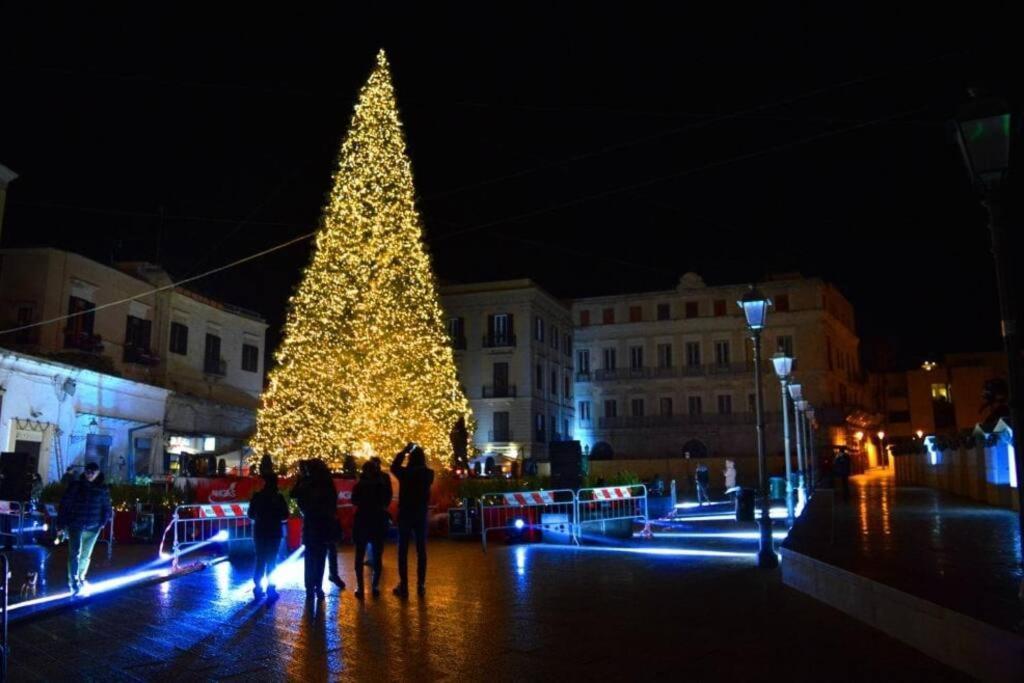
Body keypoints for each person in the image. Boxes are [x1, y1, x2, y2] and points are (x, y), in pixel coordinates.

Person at [57, 462, 112, 595]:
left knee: (85, 555)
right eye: (88, 471)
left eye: (93, 472)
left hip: (93, 526)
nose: (90, 474)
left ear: (98, 473)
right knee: (75, 554)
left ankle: (80, 577)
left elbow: (106, 506)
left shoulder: (102, 488)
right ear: (85, 472)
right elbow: (64, 505)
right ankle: (74, 581)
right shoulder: (76, 486)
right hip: (76, 525)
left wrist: (102, 522)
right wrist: (61, 525)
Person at [291, 458, 339, 600]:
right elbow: (333, 502)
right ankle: (318, 587)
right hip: (324, 524)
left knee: (310, 558)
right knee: (320, 558)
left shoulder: (307, 482)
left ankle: (309, 588)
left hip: (310, 524)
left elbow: (294, 494)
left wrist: (300, 479)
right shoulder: (327, 483)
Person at [390, 442, 434, 597]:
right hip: (420, 513)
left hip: (406, 513)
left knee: (403, 550)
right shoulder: (429, 474)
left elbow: (393, 466)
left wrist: (404, 451)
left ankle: (404, 585)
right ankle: (421, 584)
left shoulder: (405, 473)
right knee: (421, 550)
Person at [248, 469, 289, 601]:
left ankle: (257, 587)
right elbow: (285, 515)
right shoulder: (278, 498)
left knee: (260, 560)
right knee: (271, 561)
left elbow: (250, 514)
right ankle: (271, 588)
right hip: (274, 532)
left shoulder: (257, 496)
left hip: (260, 531)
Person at [352, 461, 388, 598]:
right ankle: (375, 586)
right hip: (377, 521)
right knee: (377, 556)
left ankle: (360, 588)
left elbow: (354, 501)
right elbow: (385, 501)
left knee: (359, 555)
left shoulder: (359, 485)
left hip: (362, 520)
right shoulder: (380, 485)